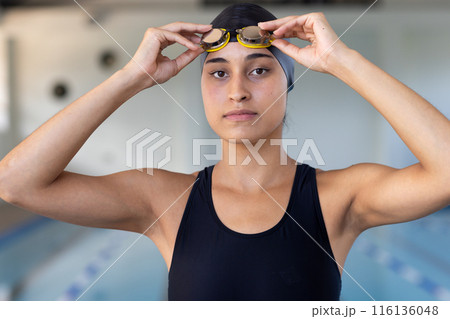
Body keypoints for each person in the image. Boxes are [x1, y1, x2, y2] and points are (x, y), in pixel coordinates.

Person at [0, 3, 448, 301]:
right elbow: (15, 183)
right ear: (200, 87)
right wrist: (130, 77)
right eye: (217, 73)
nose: (237, 91)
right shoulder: (162, 201)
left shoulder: (340, 198)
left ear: (288, 85)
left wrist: (343, 61)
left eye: (258, 70)